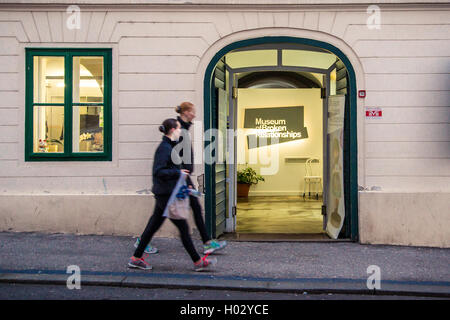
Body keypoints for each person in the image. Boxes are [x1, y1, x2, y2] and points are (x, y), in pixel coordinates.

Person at [128, 118, 217, 271]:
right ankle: (197, 262)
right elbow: (159, 171)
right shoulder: (164, 148)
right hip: (166, 195)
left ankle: (136, 258)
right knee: (183, 229)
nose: (179, 132)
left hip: (166, 193)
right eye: (177, 129)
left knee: (152, 227)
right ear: (172, 130)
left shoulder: (169, 146)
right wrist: (178, 172)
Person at [175, 102, 228, 255]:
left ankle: (206, 242)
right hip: (179, 177)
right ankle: (143, 242)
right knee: (161, 213)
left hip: (182, 176)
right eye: (192, 111)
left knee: (194, 208)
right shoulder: (179, 129)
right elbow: (174, 152)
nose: (194, 115)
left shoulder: (184, 128)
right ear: (185, 112)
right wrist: (179, 173)